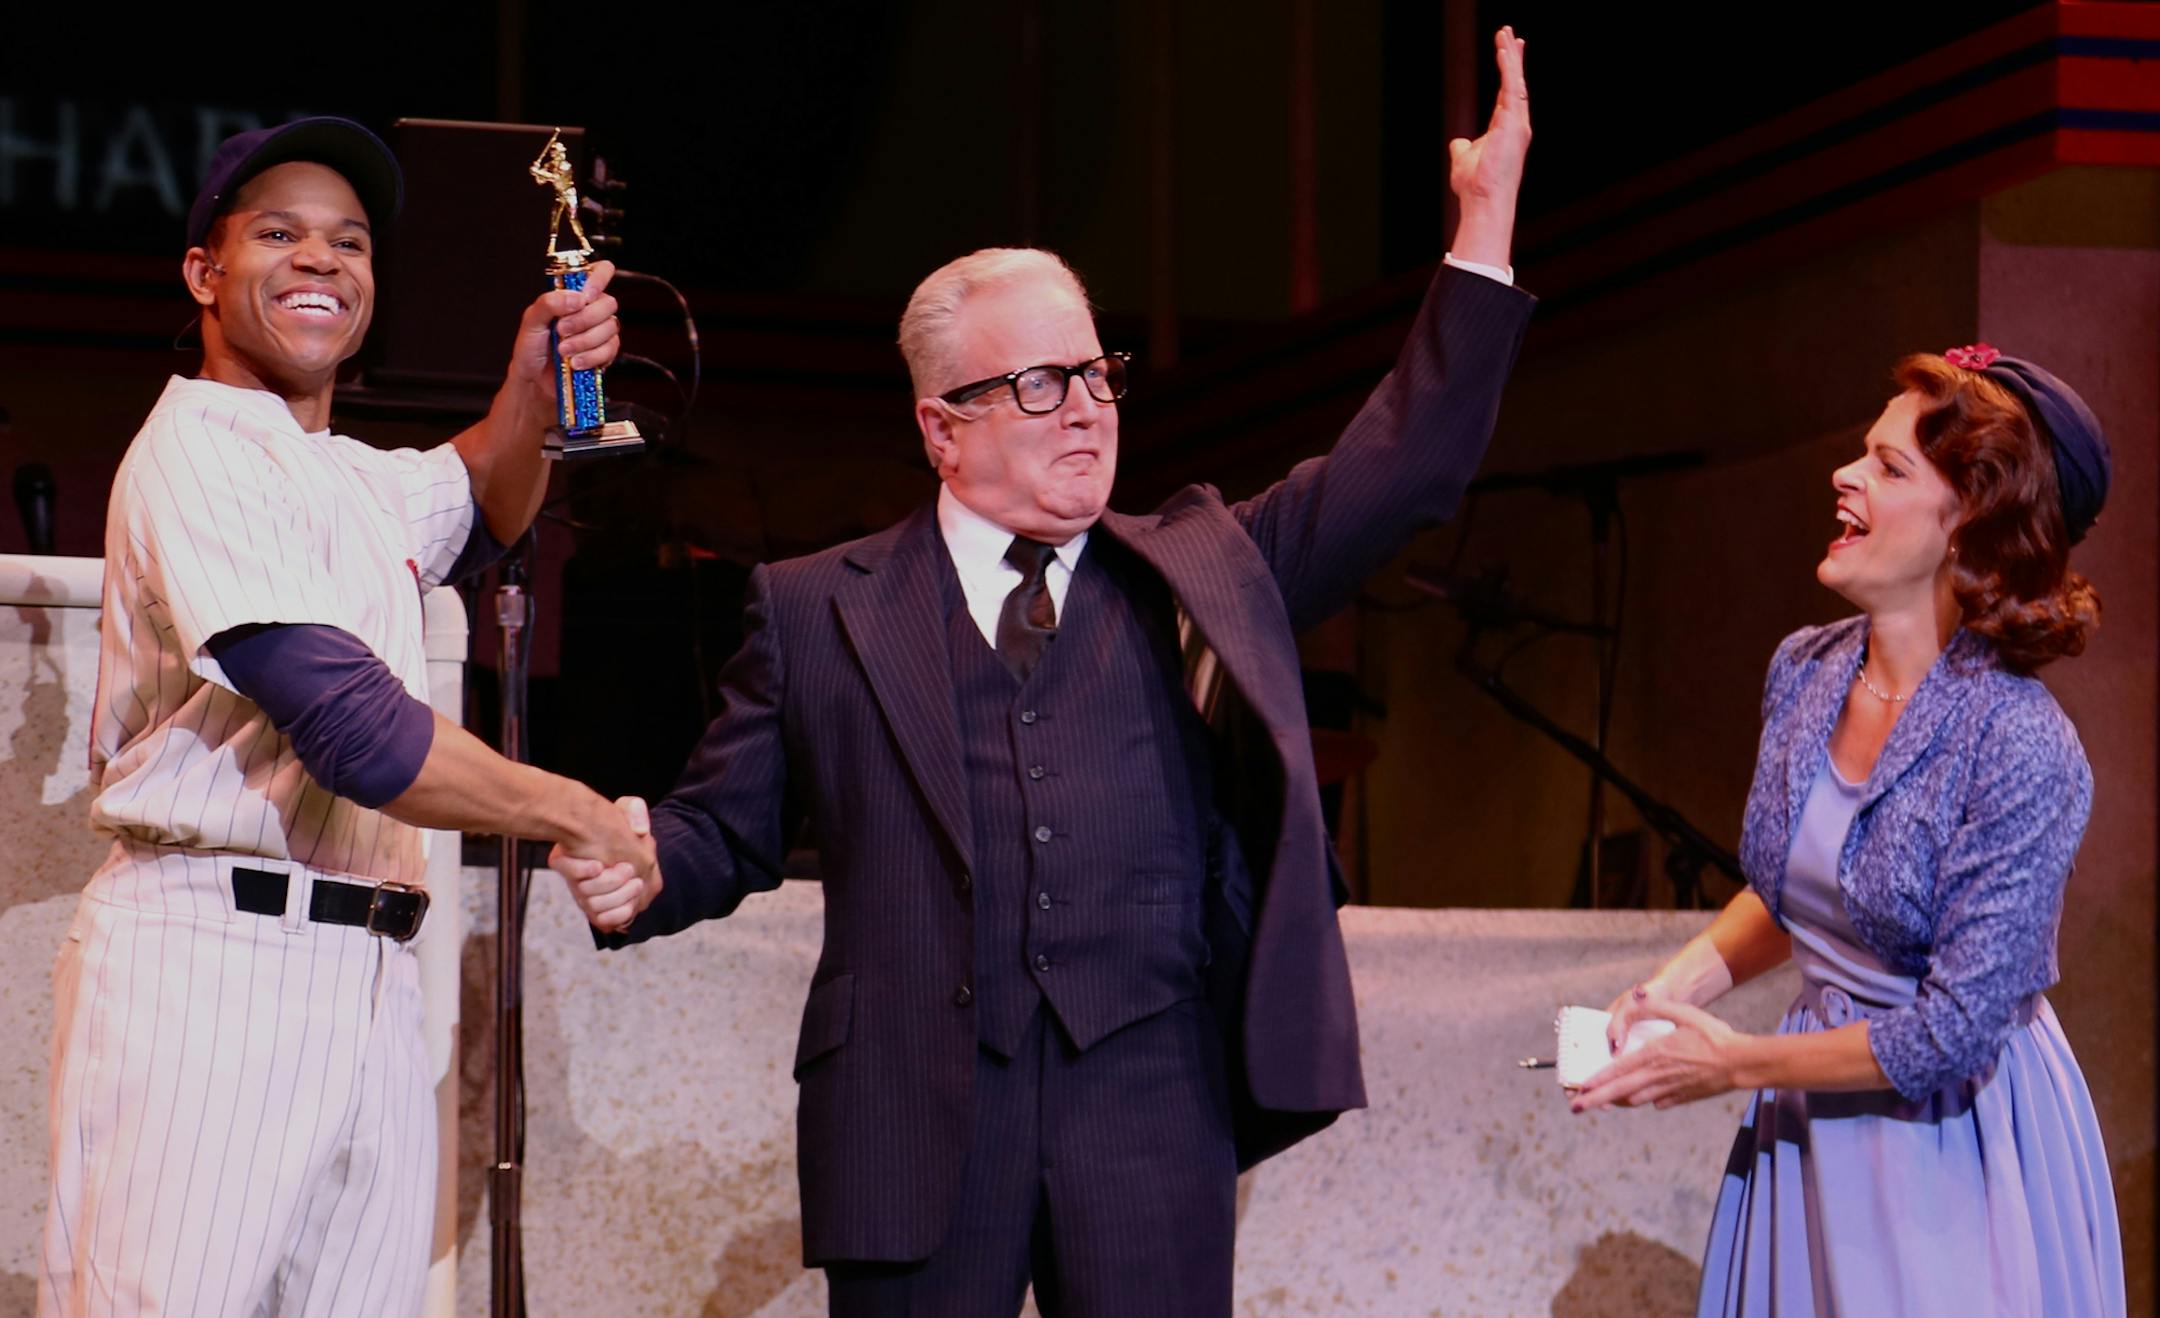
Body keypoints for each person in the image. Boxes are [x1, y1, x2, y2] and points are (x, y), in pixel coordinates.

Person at [551, 29, 1533, 1318]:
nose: (1088, 407)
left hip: (1147, 1116)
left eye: (1097, 372)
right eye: (1040, 382)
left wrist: (1485, 233)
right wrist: (642, 861)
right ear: (940, 428)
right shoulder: (813, 609)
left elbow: (1403, 469)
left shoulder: (1204, 566)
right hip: (911, 1122)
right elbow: (722, 827)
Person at [40, 118, 656, 1317]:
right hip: (214, 966)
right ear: (202, 272)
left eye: (351, 242)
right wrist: (575, 812)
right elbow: (357, 732)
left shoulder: (342, 472)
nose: (322, 260)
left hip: (367, 973)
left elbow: (480, 497)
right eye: (279, 233)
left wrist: (534, 386)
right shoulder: (201, 452)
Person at [1573, 344, 2125, 1316]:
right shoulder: (1807, 667)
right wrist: (1670, 992)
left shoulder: (2021, 745)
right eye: (1862, 453)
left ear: (1973, 530)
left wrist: (1731, 1061)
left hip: (1952, 1140)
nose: (1846, 474)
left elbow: (1951, 1033)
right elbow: (1802, 892)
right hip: (1810, 1122)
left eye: (1889, 466)